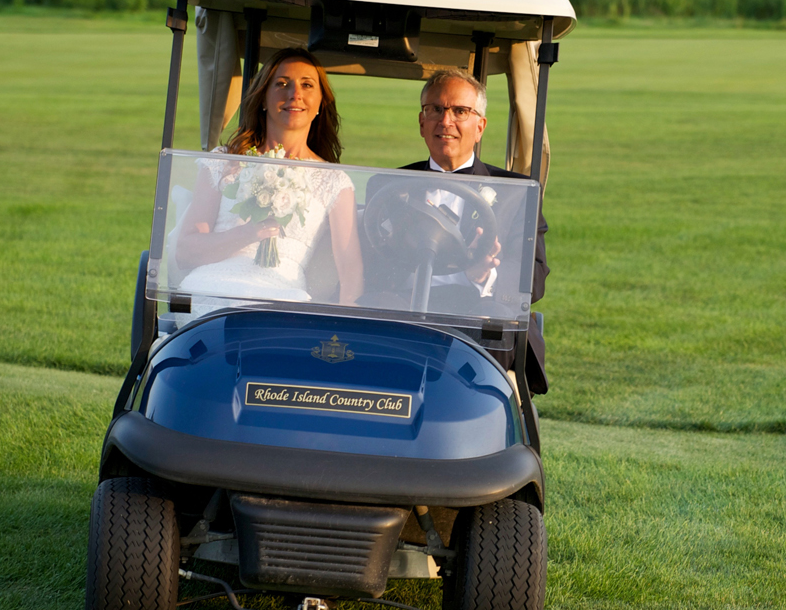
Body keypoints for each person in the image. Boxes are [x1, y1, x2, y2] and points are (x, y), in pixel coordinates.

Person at [399, 67, 550, 392]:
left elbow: (534, 280)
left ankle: (471, 423)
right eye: (435, 109)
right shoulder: (393, 185)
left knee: (492, 321)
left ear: (479, 126)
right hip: (409, 305)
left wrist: (486, 275)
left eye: (460, 111)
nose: (446, 121)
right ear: (422, 122)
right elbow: (373, 262)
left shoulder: (515, 192)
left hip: (476, 309)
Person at [176, 47, 363, 305]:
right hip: (212, 287)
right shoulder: (224, 161)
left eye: (307, 85)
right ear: (263, 98)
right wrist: (251, 233)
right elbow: (186, 252)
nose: (295, 94)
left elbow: (350, 271)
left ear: (321, 102)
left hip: (282, 294)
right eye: (282, 84)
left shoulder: (334, 182)